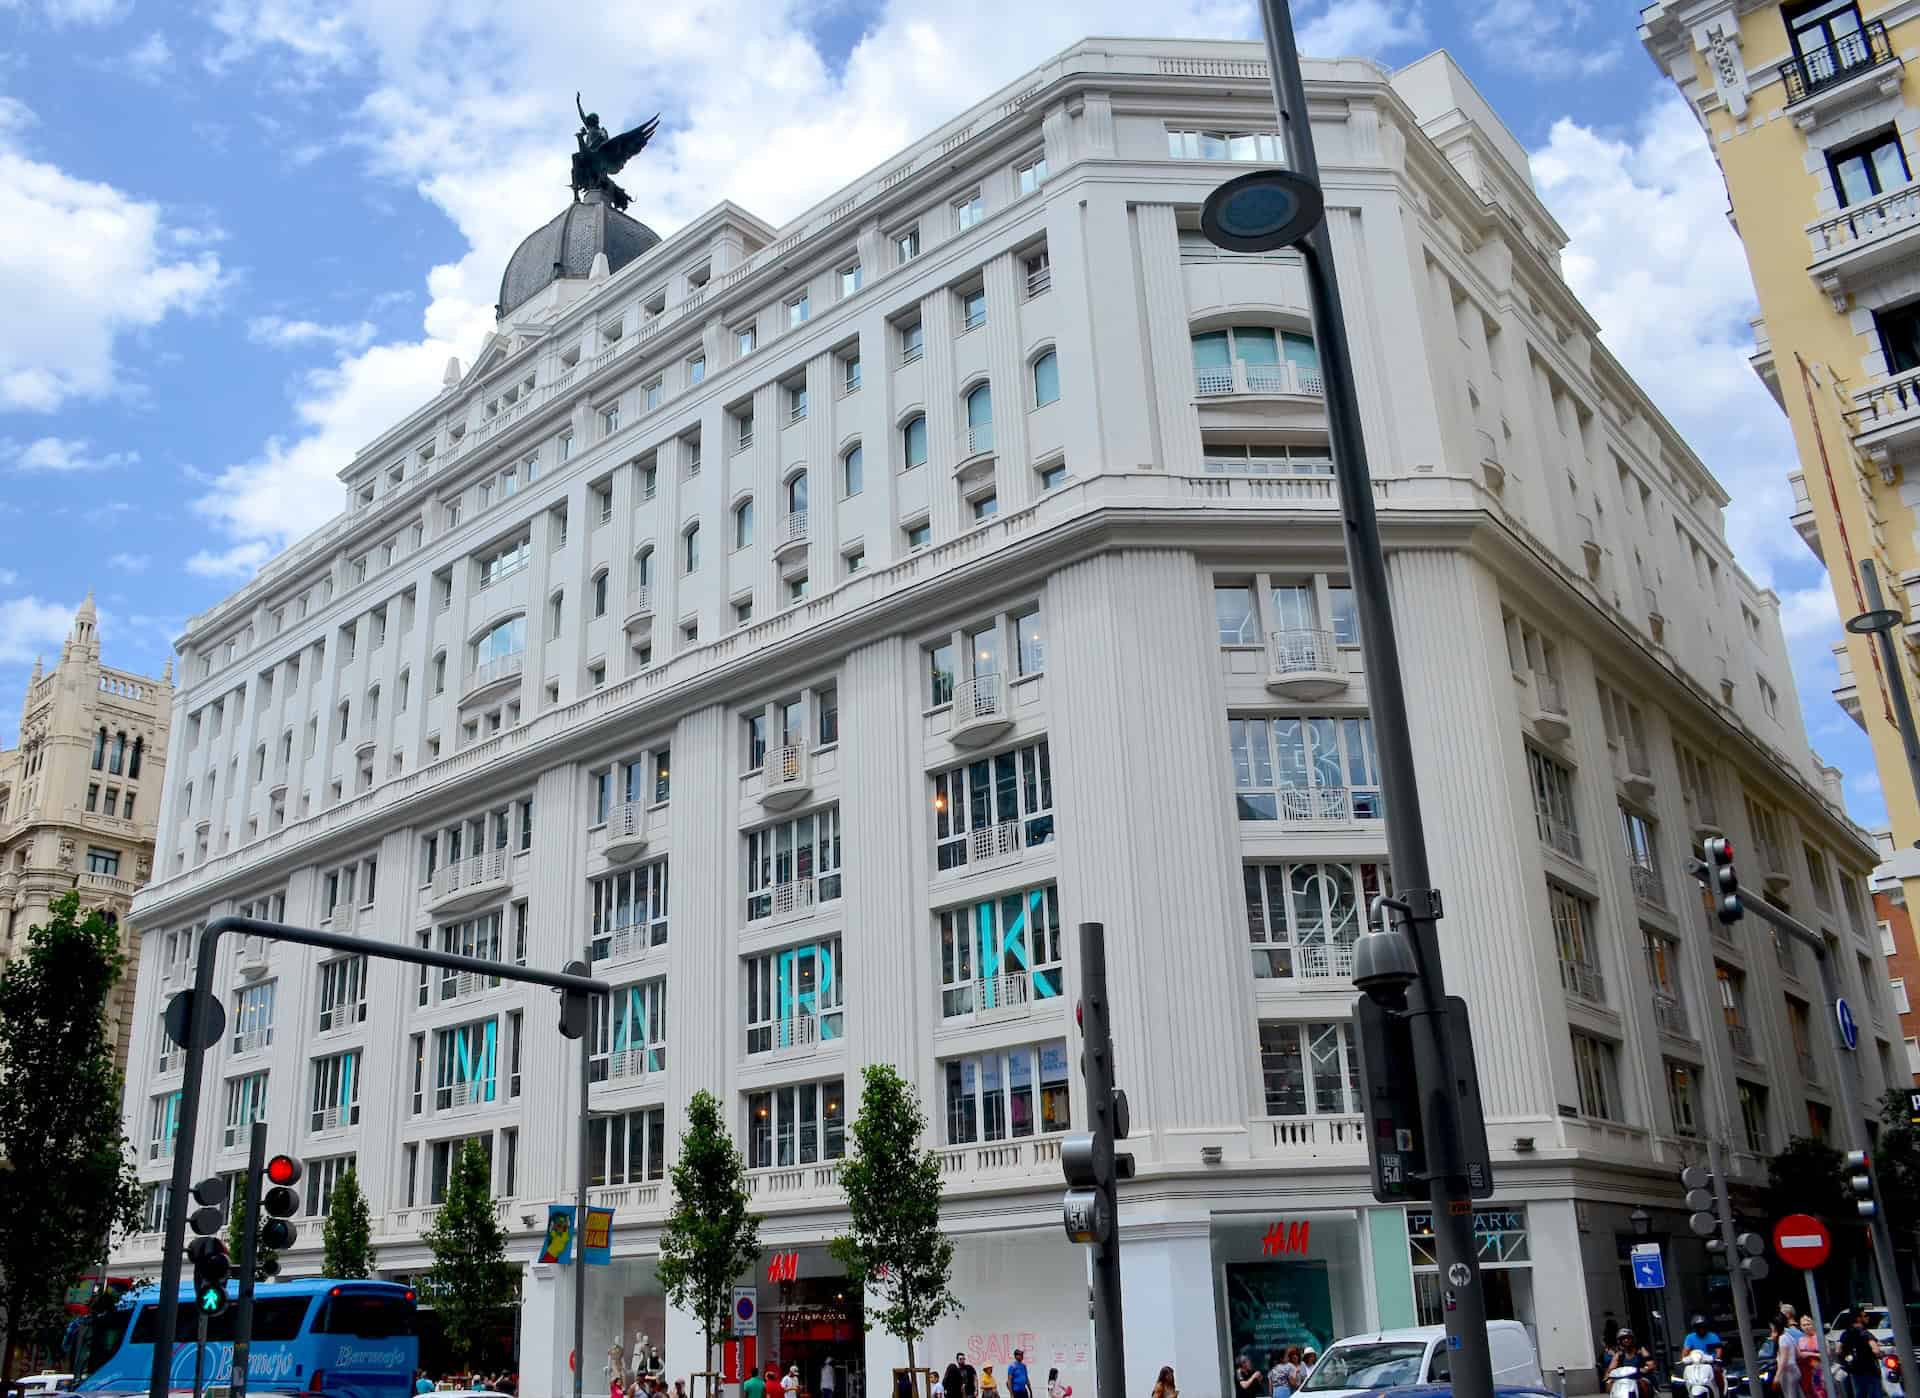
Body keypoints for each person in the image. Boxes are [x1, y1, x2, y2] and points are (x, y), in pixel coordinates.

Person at [1837, 1312, 1883, 1398]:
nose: (1868, 1318)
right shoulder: (1865, 1333)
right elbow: (1875, 1350)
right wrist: (1881, 1355)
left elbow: (1838, 1350)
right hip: (1869, 1370)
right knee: (1874, 1393)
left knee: (1859, 1393)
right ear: (1858, 1319)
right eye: (1865, 1316)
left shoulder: (1845, 1334)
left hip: (1854, 1371)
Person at [1607, 1328, 1656, 1398]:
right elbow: (1611, 1369)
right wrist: (1610, 1373)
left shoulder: (1640, 1350)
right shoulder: (1619, 1354)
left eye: (1628, 1338)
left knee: (1643, 1384)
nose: (1626, 1340)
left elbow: (1651, 1364)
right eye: (1623, 1338)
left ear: (1632, 1339)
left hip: (1639, 1377)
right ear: (1620, 1341)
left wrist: (1645, 1369)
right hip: (1623, 1378)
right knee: (1609, 1384)